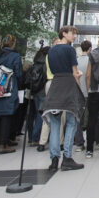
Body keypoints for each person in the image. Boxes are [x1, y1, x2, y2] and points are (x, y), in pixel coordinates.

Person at [41, 26, 85, 171]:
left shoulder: (51, 50)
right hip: (68, 85)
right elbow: (74, 72)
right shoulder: (70, 50)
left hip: (55, 85)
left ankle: (54, 160)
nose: (74, 36)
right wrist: (78, 80)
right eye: (72, 33)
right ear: (64, 33)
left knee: (54, 124)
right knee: (72, 121)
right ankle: (67, 158)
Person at [74, 40, 92, 151]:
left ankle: (79, 143)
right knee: (91, 117)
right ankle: (93, 141)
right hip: (89, 92)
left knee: (78, 119)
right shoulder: (91, 61)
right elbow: (89, 76)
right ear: (90, 48)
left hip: (78, 92)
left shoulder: (76, 61)